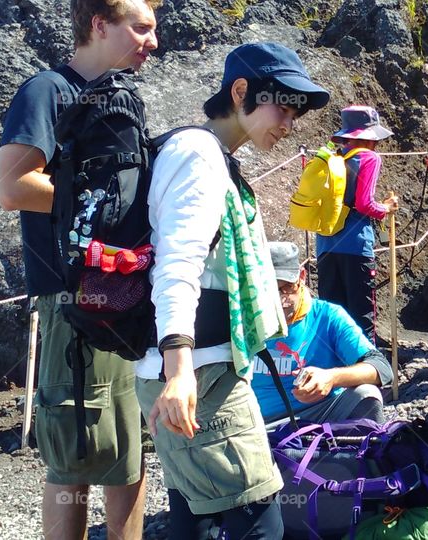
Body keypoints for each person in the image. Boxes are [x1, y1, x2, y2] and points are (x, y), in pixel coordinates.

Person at [136, 42, 331, 538]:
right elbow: (175, 264)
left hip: (192, 369)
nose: (288, 123)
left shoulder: (210, 155)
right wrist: (179, 371)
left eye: (296, 112)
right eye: (281, 106)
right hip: (202, 373)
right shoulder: (198, 155)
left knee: (194, 514)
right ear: (241, 90)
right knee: (258, 521)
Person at [0, 1, 159, 537]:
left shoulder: (123, 100)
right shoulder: (46, 91)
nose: (152, 42)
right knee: (75, 451)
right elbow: (13, 187)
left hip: (126, 296)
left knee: (128, 448)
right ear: (98, 24)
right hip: (71, 298)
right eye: (141, 28)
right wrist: (100, 201)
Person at [251, 242, 392, 424]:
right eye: (267, 290)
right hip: (257, 421)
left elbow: (381, 368)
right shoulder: (239, 320)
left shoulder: (327, 316)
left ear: (301, 277)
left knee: (367, 394)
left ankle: (365, 451)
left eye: (286, 287)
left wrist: (331, 377)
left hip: (319, 413)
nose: (280, 299)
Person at [316, 105, 399, 343]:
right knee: (361, 315)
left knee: (333, 314)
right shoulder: (368, 157)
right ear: (370, 137)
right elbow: (364, 204)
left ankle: (334, 371)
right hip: (355, 246)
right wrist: (386, 208)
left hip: (325, 246)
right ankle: (365, 371)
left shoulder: (331, 159)